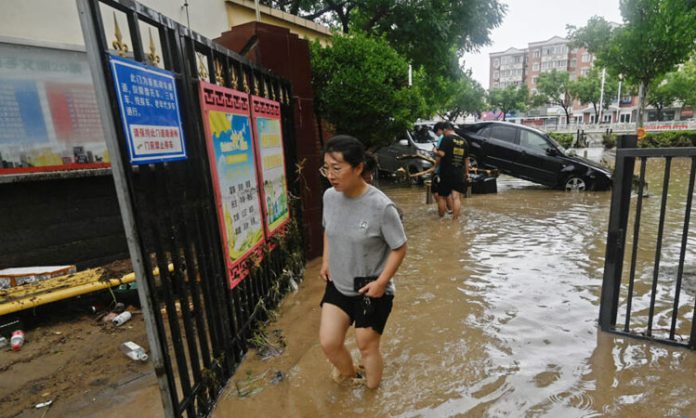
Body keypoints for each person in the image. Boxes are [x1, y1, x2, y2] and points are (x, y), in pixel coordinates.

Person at [319, 135, 408, 389]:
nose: (330, 175)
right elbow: (329, 230)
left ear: (358, 168)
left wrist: (381, 283)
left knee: (366, 346)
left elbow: (399, 248)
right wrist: (326, 261)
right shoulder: (329, 197)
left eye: (337, 168)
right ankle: (350, 377)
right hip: (339, 281)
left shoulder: (382, 207)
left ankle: (371, 394)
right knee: (329, 342)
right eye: (326, 168)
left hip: (371, 285)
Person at [434, 122, 470, 219]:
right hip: (459, 173)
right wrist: (467, 173)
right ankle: (455, 221)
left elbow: (441, 154)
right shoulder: (464, 141)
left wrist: (435, 151)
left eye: (443, 132)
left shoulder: (446, 139)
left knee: (441, 196)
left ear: (445, 129)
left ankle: (441, 220)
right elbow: (467, 160)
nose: (443, 134)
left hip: (446, 172)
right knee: (456, 197)